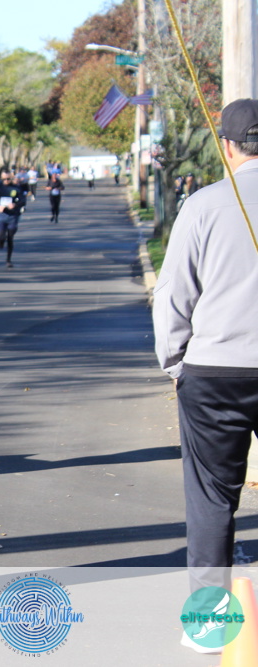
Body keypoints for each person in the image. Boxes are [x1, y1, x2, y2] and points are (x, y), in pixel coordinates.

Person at [152, 99, 258, 653]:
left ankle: (209, 626)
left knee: (212, 499)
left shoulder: (204, 205)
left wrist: (174, 363)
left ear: (227, 146)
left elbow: (174, 294)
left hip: (215, 370)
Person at [0, 168, 25, 268]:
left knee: (10, 236)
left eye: (8, 179)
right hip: (1, 215)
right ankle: (1, 242)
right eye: (4, 179)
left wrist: (15, 204)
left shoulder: (16, 188)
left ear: (11, 178)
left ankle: (8, 260)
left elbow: (23, 201)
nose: (6, 181)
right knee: (1, 235)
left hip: (13, 215)